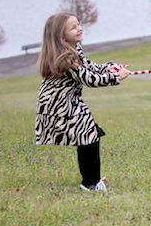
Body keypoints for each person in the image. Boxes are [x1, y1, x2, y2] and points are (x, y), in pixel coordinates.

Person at [35, 12, 130, 192]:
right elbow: (88, 79)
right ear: (61, 35)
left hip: (68, 101)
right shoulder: (65, 57)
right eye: (73, 27)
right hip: (57, 105)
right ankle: (91, 183)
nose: (79, 28)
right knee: (88, 134)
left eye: (78, 24)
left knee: (88, 134)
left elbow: (89, 66)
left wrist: (108, 67)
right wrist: (115, 77)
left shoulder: (74, 50)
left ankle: (91, 180)